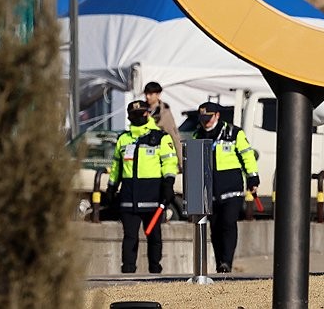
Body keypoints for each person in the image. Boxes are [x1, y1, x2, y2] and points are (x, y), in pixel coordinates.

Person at [108, 99, 179, 274]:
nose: (138, 117)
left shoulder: (161, 137)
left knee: (154, 236)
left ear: (148, 114)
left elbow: (170, 162)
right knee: (129, 237)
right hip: (129, 196)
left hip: (152, 195)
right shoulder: (123, 139)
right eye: (134, 115)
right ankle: (128, 271)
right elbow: (116, 166)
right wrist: (111, 187)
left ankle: (155, 271)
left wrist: (169, 183)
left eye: (141, 114)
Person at [193, 102, 260, 274]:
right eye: (203, 118)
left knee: (228, 223)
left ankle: (227, 262)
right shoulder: (197, 135)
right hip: (210, 190)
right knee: (214, 227)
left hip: (232, 188)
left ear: (217, 116)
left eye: (208, 118)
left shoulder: (234, 133)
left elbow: (247, 156)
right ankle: (219, 263)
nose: (205, 122)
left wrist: (253, 178)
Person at [143, 81, 181, 159]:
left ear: (158, 94)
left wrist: (181, 163)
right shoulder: (141, 109)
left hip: (160, 151)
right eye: (146, 94)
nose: (147, 97)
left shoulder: (164, 112)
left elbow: (174, 137)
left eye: (150, 94)